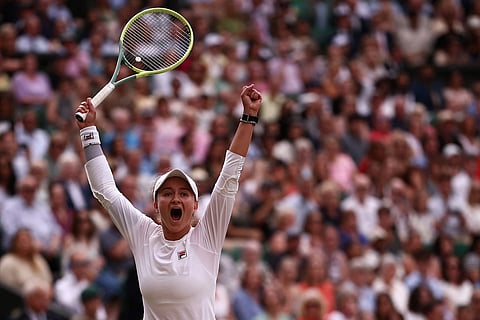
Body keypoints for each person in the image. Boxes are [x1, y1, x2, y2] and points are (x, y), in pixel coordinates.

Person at [74, 84, 262, 319]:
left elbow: (229, 177)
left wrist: (248, 117)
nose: (175, 198)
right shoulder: (143, 234)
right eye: (167, 193)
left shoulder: (207, 237)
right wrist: (88, 131)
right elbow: (104, 190)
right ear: (156, 204)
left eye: (184, 193)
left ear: (195, 205)